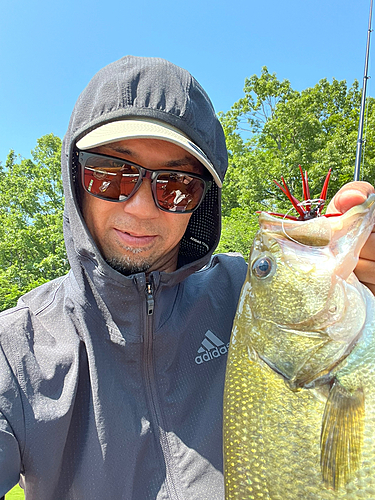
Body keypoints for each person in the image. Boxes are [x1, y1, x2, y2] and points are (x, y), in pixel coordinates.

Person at [0, 56, 374, 500]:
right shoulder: (16, 351)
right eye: (113, 174)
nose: (140, 207)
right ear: (75, 175)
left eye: (176, 185)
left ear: (202, 201)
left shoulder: (243, 297)